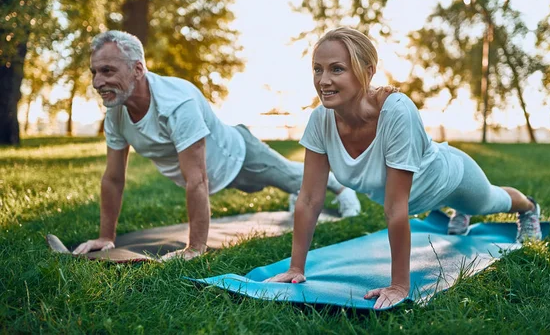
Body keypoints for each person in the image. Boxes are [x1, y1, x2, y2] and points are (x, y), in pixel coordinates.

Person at [266, 27, 542, 309]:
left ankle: (528, 208)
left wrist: (399, 285)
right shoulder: (320, 121)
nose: (323, 80)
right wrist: (295, 268)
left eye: (337, 69)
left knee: (491, 200)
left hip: (449, 178)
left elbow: (395, 207)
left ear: (367, 70)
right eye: (317, 69)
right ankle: (462, 211)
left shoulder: (396, 110)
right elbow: (310, 198)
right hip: (414, 196)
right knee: (469, 205)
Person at [73, 30, 361, 261]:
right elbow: (113, 178)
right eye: (94, 72)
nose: (98, 82)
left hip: (239, 155)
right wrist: (105, 236)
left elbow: (196, 179)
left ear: (137, 69)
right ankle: (299, 192)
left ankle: (341, 188)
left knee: (287, 175)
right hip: (210, 174)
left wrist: (196, 248)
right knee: (289, 183)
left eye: (108, 71)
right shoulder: (116, 112)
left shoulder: (176, 103)